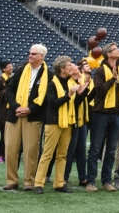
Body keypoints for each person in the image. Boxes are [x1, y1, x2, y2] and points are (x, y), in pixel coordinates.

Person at [33, 55, 86, 194]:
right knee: (47, 154)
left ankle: (59, 183)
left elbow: (75, 104)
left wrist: (81, 93)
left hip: (68, 122)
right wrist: (68, 95)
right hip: (54, 122)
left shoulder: (70, 82)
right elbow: (53, 104)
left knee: (62, 155)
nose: (72, 68)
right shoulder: (52, 84)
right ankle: (39, 183)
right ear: (62, 69)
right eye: (69, 65)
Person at [3, 44, 48, 191]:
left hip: (33, 116)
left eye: (33, 54)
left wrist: (30, 109)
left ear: (41, 56)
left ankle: (29, 181)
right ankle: (11, 180)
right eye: (30, 53)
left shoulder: (48, 74)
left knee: (31, 150)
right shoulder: (21, 70)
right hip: (15, 114)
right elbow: (9, 89)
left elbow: (46, 98)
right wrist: (16, 107)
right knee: (10, 148)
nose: (30, 55)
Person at [86, 42, 119, 192]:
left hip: (117, 115)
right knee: (95, 149)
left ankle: (106, 181)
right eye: (116, 49)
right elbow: (100, 91)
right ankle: (90, 182)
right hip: (101, 114)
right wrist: (113, 79)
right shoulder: (100, 70)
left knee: (111, 150)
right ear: (109, 54)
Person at [64, 56, 93, 187]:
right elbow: (75, 102)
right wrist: (83, 90)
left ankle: (83, 177)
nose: (74, 67)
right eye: (73, 66)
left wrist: (88, 88)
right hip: (72, 119)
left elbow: (86, 99)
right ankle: (64, 177)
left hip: (82, 119)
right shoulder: (68, 82)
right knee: (70, 151)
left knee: (82, 150)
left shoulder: (82, 80)